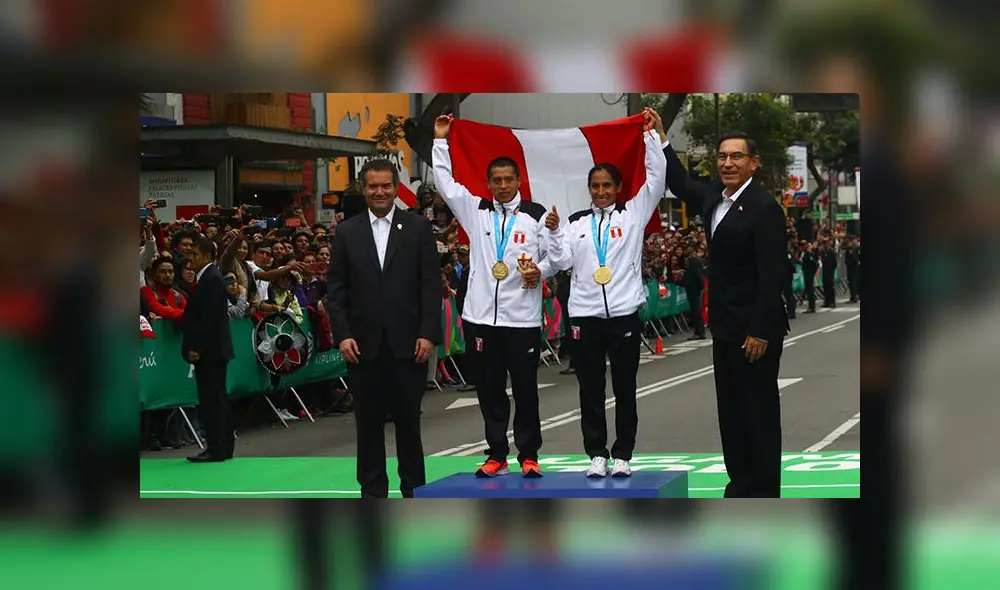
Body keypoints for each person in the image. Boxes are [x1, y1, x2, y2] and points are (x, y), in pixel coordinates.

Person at [432, 114, 562, 479]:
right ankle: (496, 454)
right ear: (488, 183)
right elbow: (444, 182)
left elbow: (558, 257)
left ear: (519, 181)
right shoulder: (476, 210)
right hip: (480, 319)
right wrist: (440, 141)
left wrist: (542, 270)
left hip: (521, 321)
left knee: (525, 389)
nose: (503, 185)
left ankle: (529, 455)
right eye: (497, 180)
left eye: (508, 179)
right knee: (490, 390)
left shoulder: (537, 215)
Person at [662, 131, 790, 497]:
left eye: (736, 157)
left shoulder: (764, 208)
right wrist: (661, 141)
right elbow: (681, 183)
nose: (728, 163)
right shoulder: (714, 197)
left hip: (754, 332)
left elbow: (773, 275)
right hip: (724, 326)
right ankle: (741, 486)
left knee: (758, 415)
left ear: (754, 163)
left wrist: (761, 330)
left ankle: (764, 491)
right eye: (722, 156)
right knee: (731, 414)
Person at [548, 107, 667, 478]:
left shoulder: (633, 214)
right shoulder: (575, 223)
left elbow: (657, 179)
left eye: (607, 186)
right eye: (595, 186)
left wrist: (651, 136)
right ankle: (596, 454)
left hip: (623, 315)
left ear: (617, 188)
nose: (601, 192)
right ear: (589, 189)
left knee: (625, 387)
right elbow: (561, 260)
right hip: (585, 317)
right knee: (590, 389)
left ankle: (623, 454)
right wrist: (553, 233)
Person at [326, 159, 441, 498]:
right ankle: (373, 493)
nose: (380, 192)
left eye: (386, 186)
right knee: (368, 425)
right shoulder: (347, 232)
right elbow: (337, 290)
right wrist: (343, 334)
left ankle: (414, 490)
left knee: (409, 424)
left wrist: (428, 334)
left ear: (395, 188)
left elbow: (430, 286)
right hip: (362, 346)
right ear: (364, 189)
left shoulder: (417, 228)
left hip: (409, 345)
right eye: (373, 186)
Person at [181, 237, 235, 462]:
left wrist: (197, 347)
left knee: (212, 400)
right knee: (217, 398)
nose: (190, 258)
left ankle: (216, 448)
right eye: (189, 254)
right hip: (215, 349)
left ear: (206, 256)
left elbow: (209, 320)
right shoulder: (208, 278)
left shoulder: (211, 279)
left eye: (194, 254)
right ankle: (223, 446)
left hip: (211, 350)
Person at [800, 240, 818, 313]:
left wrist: (812, 273)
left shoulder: (809, 255)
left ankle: (812, 307)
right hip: (807, 274)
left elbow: (815, 264)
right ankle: (810, 306)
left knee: (810, 291)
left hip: (809, 274)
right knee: (809, 290)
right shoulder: (805, 254)